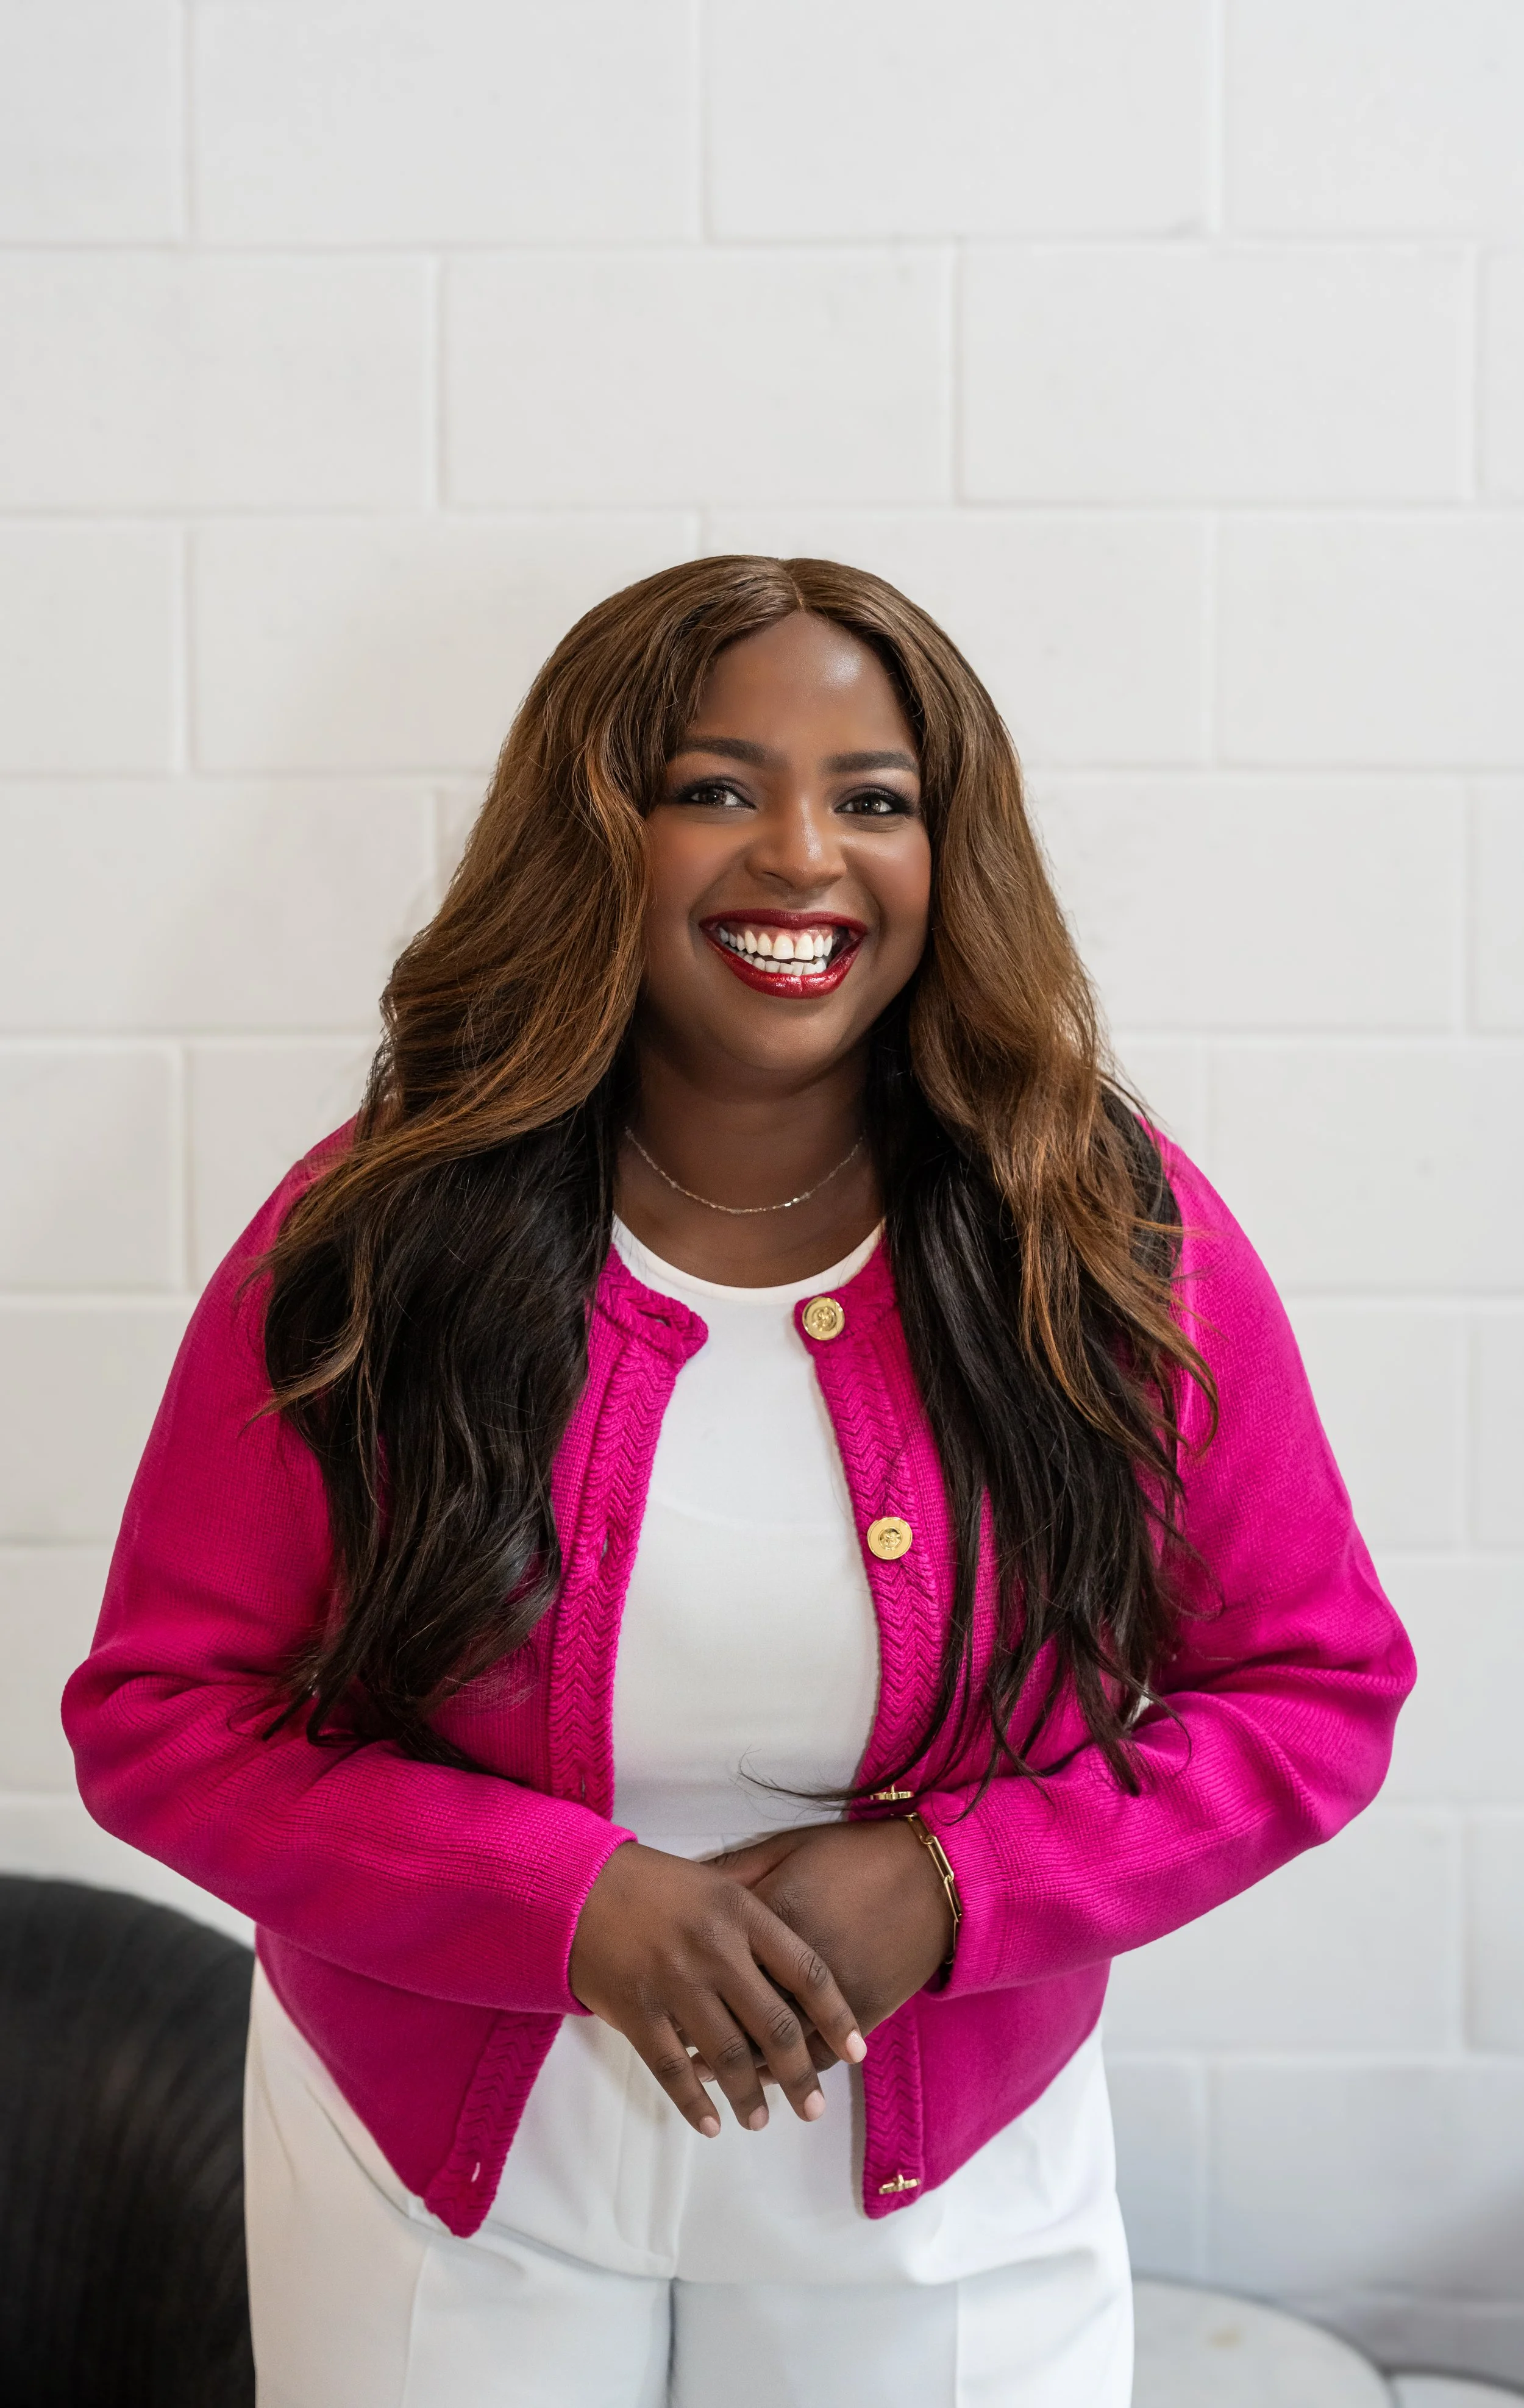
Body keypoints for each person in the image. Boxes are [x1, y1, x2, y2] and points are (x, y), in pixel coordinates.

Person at [64, 556, 1415, 2408]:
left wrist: (952, 1882)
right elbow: (164, 1712)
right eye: (717, 787)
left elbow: (1312, 1687)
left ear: (954, 856)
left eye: (874, 799)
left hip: (945, 2184)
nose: (802, 854)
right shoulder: (376, 1238)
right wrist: (569, 1901)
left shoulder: (1099, 1236)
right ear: (595, 830)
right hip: (435, 2170)